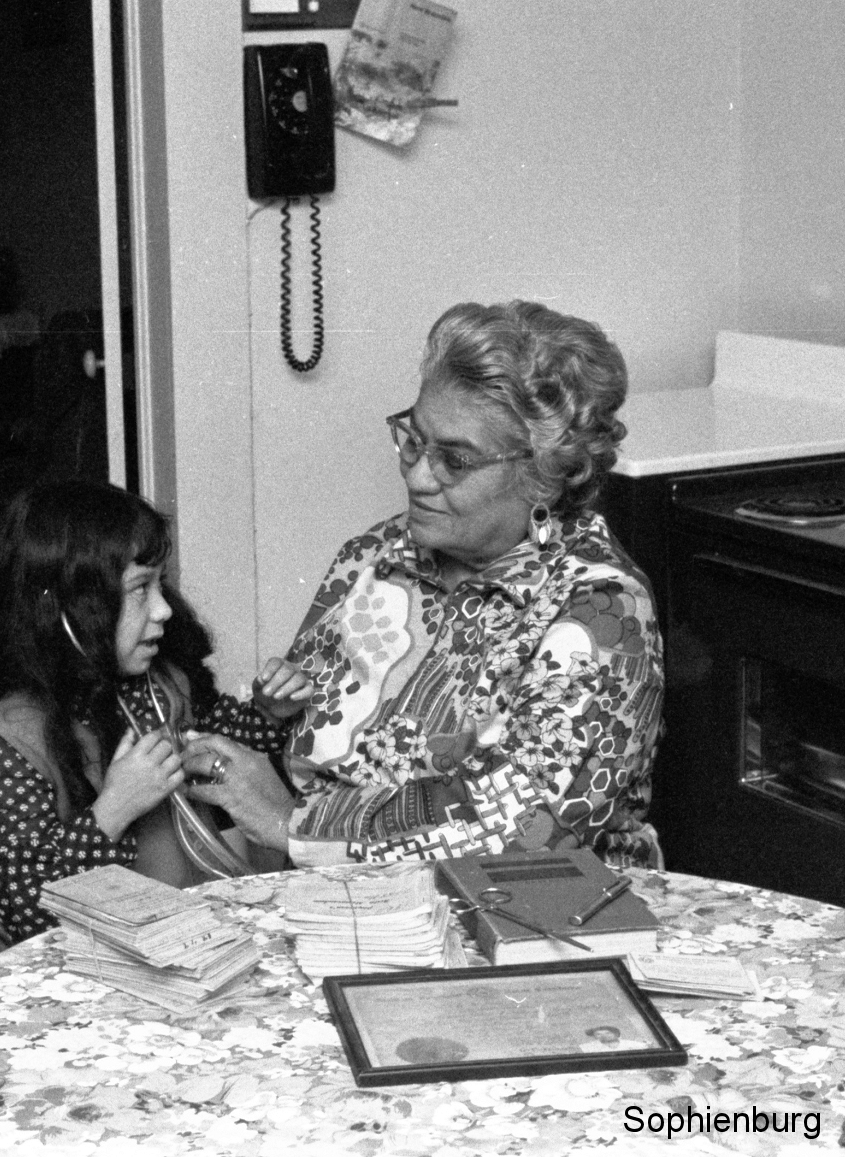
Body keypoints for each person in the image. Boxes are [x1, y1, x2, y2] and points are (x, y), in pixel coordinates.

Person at [183, 299, 665, 870]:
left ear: (543, 476)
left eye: (454, 460)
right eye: (414, 440)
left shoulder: (602, 610)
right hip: (355, 912)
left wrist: (293, 826)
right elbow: (299, 743)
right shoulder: (372, 556)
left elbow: (524, 825)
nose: (416, 475)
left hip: (526, 921)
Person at [0, 480, 306, 941]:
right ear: (67, 607)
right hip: (103, 958)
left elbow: (224, 746)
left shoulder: (162, 685)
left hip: (198, 934)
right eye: (140, 588)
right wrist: (113, 810)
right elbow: (24, 911)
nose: (164, 609)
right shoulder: (11, 744)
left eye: (159, 584)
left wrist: (267, 714)